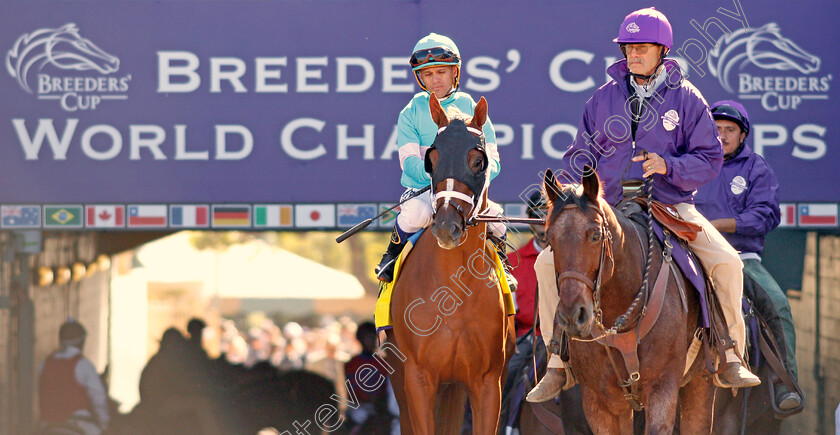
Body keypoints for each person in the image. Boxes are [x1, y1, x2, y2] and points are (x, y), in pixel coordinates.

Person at [527, 7, 760, 403]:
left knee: (727, 263)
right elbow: (579, 155)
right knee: (545, 262)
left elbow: (710, 158)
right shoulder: (602, 99)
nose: (632, 54)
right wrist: (573, 189)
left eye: (641, 47)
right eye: (627, 47)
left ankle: (729, 353)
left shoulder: (687, 98)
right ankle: (557, 362)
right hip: (610, 205)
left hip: (670, 205)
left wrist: (669, 165)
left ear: (661, 50)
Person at [374, 32, 516, 290]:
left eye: (441, 71)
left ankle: (502, 265)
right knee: (417, 213)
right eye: (428, 74)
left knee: (496, 216)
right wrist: (442, 176)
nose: (435, 79)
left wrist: (469, 177)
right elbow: (409, 165)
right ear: (420, 78)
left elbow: (492, 160)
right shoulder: (410, 112)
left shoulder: (471, 105)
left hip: (466, 192)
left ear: (455, 73)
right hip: (427, 191)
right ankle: (391, 256)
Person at [694, 100, 801, 410]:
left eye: (730, 130)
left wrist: (718, 226)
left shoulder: (756, 167)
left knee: (777, 306)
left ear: (742, 136)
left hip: (742, 258)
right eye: (716, 129)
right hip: (689, 254)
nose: (722, 136)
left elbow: (767, 214)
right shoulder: (691, 163)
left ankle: (785, 385)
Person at [38, 319, 109, 435]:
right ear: (82, 341)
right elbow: (98, 398)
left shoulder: (45, 364)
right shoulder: (83, 364)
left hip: (47, 426)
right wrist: (104, 423)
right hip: (77, 425)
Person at [344, 321, 396, 432]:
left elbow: (389, 388)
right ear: (360, 339)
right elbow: (352, 388)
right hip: (360, 406)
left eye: (374, 337)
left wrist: (380, 400)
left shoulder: (384, 362)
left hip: (382, 407)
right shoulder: (352, 364)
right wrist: (368, 398)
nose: (372, 340)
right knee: (359, 416)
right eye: (368, 337)